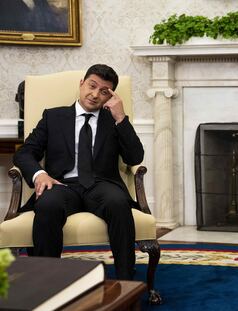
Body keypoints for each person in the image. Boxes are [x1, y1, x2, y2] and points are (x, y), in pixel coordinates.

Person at [13, 64, 144, 280]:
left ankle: (125, 281)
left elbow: (135, 157)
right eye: (92, 86)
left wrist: (121, 118)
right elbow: (25, 153)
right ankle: (46, 281)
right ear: (81, 84)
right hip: (62, 184)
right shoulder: (53, 117)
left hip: (101, 185)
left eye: (104, 92)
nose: (95, 95)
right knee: (47, 204)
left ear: (110, 96)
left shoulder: (114, 120)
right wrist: (40, 175)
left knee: (118, 202)